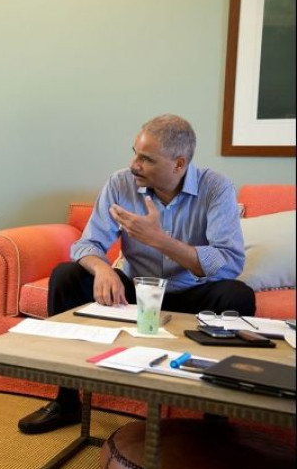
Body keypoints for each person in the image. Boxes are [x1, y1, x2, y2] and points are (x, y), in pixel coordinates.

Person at [17, 114, 255, 435]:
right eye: (135, 153)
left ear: (179, 164)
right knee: (66, 275)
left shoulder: (216, 188)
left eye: (146, 159)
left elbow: (229, 261)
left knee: (237, 295)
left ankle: (214, 418)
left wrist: (161, 241)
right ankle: (67, 400)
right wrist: (103, 269)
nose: (134, 164)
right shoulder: (120, 183)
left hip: (191, 294)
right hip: (136, 292)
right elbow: (87, 243)